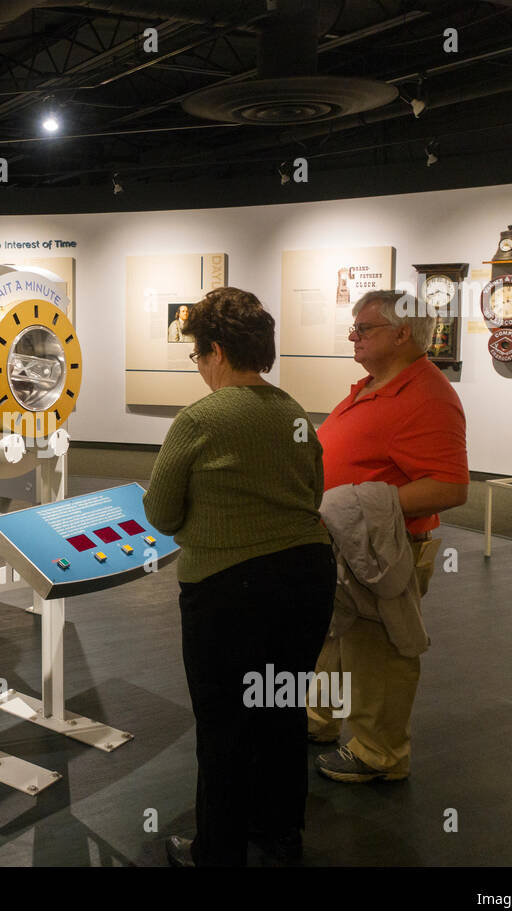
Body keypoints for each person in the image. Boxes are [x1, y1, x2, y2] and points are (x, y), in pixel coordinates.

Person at [143, 286, 335, 867]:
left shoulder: (200, 418)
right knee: (281, 708)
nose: (199, 368)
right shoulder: (293, 412)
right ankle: (279, 832)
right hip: (307, 577)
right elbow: (311, 490)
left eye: (198, 356)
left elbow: (161, 512)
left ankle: (217, 852)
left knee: (222, 725)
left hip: (229, 590)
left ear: (218, 352)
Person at [309, 289, 468, 783]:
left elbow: (451, 486)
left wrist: (357, 506)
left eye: (365, 328)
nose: (353, 336)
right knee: (336, 641)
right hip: (348, 546)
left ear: (403, 333)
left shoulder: (428, 397)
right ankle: (319, 719)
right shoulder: (375, 384)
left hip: (382, 552)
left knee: (380, 652)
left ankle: (381, 753)